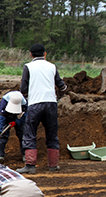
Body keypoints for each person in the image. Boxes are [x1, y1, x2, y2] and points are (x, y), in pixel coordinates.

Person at [16, 43, 68, 174]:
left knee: (30, 133)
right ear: (45, 54)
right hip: (51, 103)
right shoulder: (52, 66)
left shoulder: (28, 67)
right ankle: (53, 165)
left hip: (35, 104)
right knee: (52, 133)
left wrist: (30, 96)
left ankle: (30, 165)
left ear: (31, 54)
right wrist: (58, 98)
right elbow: (62, 87)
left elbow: (23, 89)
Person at [0, 91, 27, 163]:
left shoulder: (24, 104)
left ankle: (25, 154)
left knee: (23, 134)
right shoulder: (4, 103)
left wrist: (17, 122)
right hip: (6, 116)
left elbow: (25, 116)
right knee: (2, 135)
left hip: (19, 116)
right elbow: (1, 117)